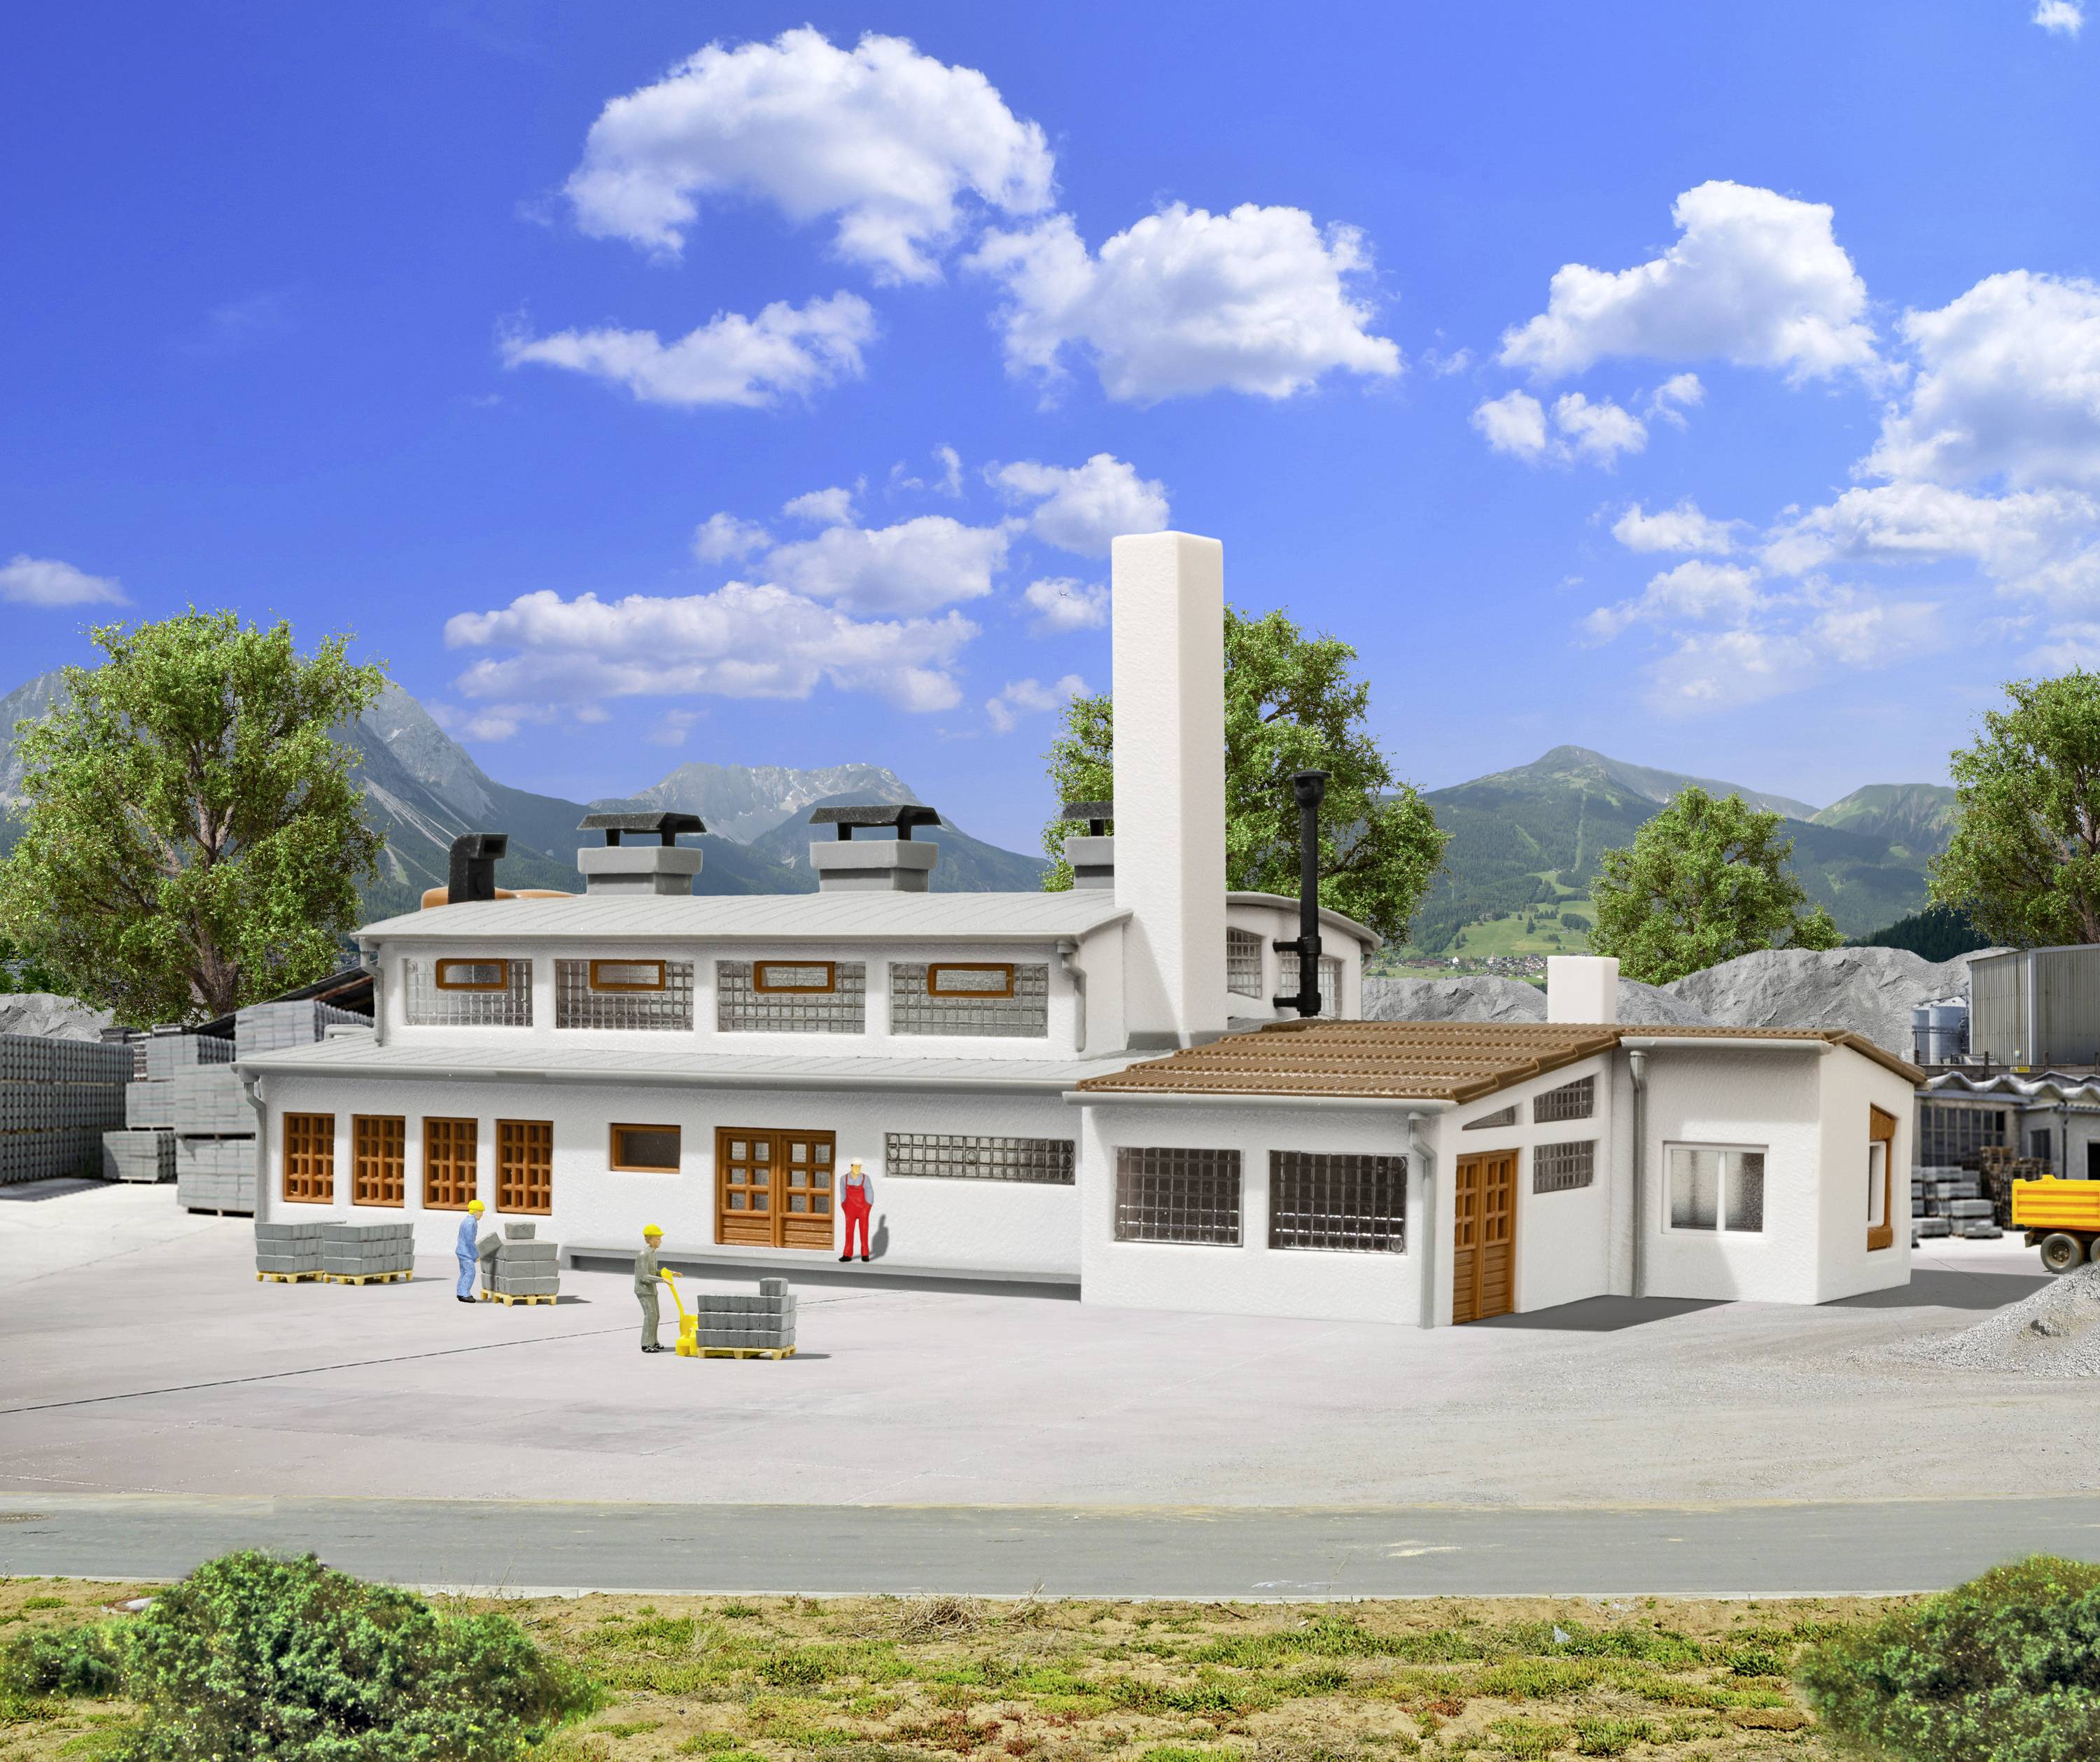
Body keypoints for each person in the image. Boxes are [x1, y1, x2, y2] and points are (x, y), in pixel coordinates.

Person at [635, 1224, 668, 1353]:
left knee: (656, 1316)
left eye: (660, 1239)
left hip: (652, 1290)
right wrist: (662, 1280)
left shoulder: (653, 1254)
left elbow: (653, 1272)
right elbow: (644, 1277)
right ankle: (646, 1344)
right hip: (643, 1290)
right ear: (648, 1240)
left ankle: (654, 1341)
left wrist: (668, 1273)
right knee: (650, 1316)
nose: (660, 1242)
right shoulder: (643, 1255)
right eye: (657, 1239)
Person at [840, 1160, 873, 1263]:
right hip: (850, 1209)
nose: (858, 1169)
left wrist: (868, 1206)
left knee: (864, 1230)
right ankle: (847, 1254)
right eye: (856, 1166)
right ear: (851, 1166)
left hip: (863, 1209)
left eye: (860, 1166)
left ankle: (865, 1254)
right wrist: (844, 1205)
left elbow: (870, 1192)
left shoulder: (865, 1178)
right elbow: (842, 1194)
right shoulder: (843, 1179)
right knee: (849, 1231)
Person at [454, 1200, 484, 1303]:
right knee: (470, 1272)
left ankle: (460, 1292)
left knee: (464, 1272)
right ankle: (464, 1294)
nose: (482, 1215)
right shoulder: (471, 1223)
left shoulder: (468, 1221)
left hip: (461, 1250)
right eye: (481, 1212)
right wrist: (475, 1255)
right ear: (476, 1212)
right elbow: (469, 1242)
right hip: (466, 1252)